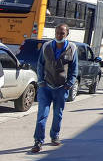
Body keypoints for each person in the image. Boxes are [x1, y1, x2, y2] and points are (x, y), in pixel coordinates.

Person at [31, 23, 79, 153]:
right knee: (42, 115)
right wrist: (40, 81)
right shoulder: (46, 46)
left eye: (62, 33)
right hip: (45, 87)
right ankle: (38, 141)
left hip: (61, 88)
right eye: (57, 33)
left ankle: (54, 136)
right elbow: (40, 64)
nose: (59, 35)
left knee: (58, 114)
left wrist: (69, 84)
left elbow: (74, 69)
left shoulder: (72, 47)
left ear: (67, 34)